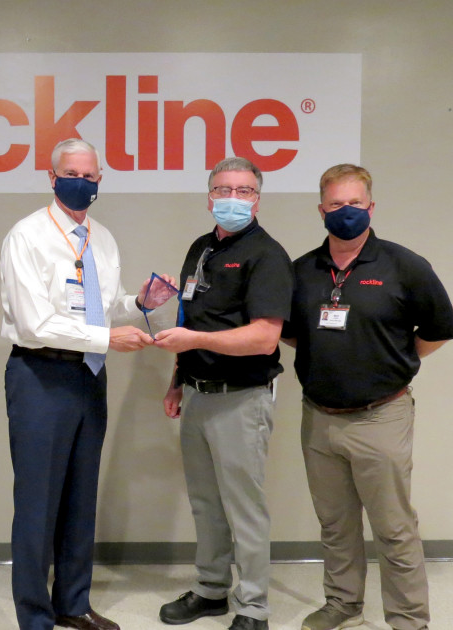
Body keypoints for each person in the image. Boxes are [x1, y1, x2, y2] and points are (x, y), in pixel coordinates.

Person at [1, 138, 176, 630]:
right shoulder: (27, 235)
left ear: (100, 180)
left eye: (90, 175)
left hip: (88, 375)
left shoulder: (102, 238)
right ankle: (34, 616)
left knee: (81, 496)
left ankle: (73, 603)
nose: (82, 182)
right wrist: (105, 338)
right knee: (38, 501)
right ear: (52, 177)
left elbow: (97, 305)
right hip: (40, 374)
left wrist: (139, 303)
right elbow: (35, 322)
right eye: (72, 173)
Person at [282, 164, 453, 630]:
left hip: (381, 416)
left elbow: (440, 328)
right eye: (336, 204)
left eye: (355, 203)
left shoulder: (404, 265)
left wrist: (394, 360)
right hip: (319, 417)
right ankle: (343, 605)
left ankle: (408, 619)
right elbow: (291, 332)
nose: (346, 211)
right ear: (321, 210)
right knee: (335, 524)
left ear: (371, 208)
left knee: (393, 527)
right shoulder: (301, 271)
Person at [153, 158, 292, 630]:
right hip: (196, 393)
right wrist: (177, 380)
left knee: (244, 508)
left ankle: (253, 607)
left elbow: (265, 338)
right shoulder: (201, 248)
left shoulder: (267, 255)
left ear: (258, 200)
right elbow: (189, 317)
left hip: (241, 398)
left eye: (244, 190)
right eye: (223, 189)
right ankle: (211, 589)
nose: (232, 198)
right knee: (205, 502)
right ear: (209, 195)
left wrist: (195, 341)